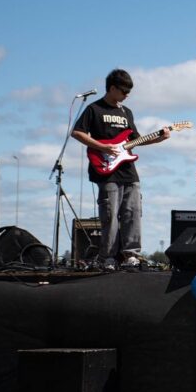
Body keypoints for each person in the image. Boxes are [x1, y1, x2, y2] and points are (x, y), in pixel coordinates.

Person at [72, 68, 171, 270]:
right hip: (106, 170)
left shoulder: (126, 112)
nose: (126, 96)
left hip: (128, 170)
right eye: (124, 92)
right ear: (112, 88)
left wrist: (159, 138)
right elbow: (77, 133)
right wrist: (102, 147)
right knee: (110, 215)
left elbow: (135, 140)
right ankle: (108, 257)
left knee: (132, 213)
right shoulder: (94, 109)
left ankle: (131, 255)